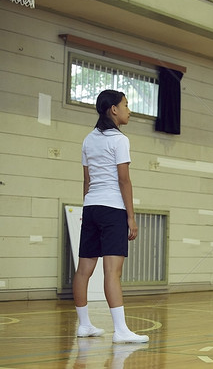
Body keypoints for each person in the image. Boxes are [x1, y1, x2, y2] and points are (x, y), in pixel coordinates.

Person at [73, 89, 149, 344]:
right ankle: (121, 331)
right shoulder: (119, 140)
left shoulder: (88, 139)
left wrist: (87, 208)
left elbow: (87, 179)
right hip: (113, 209)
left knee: (84, 269)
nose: (129, 110)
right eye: (126, 105)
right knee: (112, 272)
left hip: (92, 207)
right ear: (113, 110)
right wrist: (131, 217)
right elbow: (124, 180)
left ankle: (84, 325)